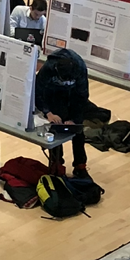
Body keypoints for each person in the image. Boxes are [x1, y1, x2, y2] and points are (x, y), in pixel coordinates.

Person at [36, 48, 93, 176]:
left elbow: (82, 97)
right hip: (52, 94)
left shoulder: (80, 68)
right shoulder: (48, 68)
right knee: (56, 126)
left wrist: (74, 119)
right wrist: (48, 113)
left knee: (77, 130)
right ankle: (56, 163)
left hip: (73, 95)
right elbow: (38, 92)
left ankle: (80, 165)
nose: (66, 82)